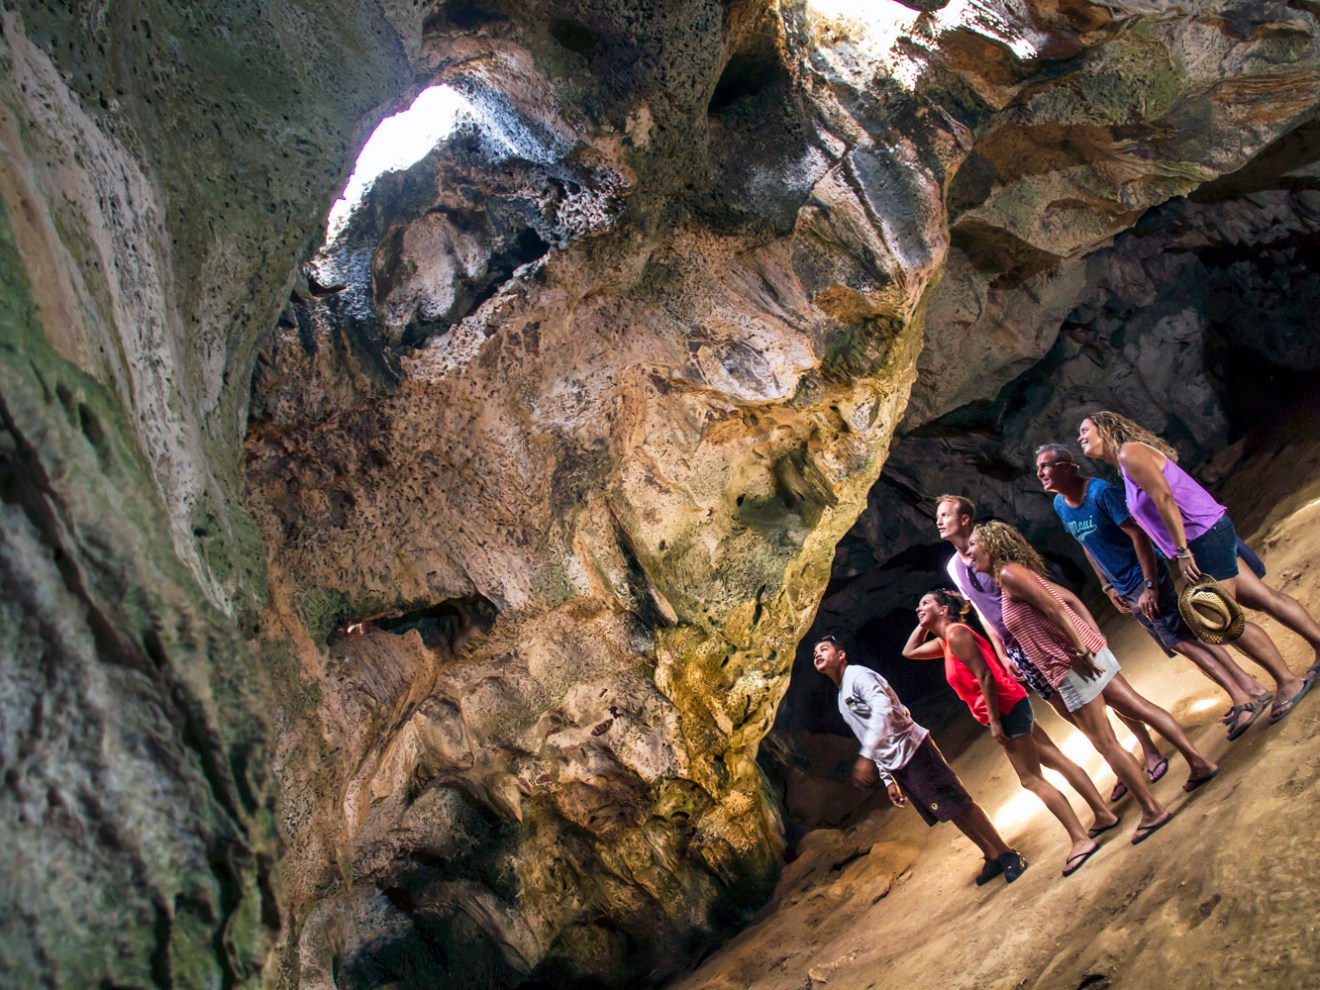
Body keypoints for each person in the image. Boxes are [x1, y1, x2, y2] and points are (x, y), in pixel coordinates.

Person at [968, 521, 1223, 844]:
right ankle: (1199, 764)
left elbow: (1055, 609)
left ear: (992, 544)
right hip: (1082, 656)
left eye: (975, 544)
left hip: (1073, 664)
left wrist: (1080, 649)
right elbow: (1060, 603)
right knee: (1139, 707)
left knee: (1104, 742)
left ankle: (1152, 810)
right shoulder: (1014, 575)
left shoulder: (1010, 575)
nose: (969, 552)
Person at [1078, 412, 1320, 723]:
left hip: (1200, 538)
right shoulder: (1127, 462)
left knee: (1221, 621)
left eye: (1086, 430)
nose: (1080, 438)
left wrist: (1182, 551)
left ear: (1106, 429)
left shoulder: (1130, 452)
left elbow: (1164, 498)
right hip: (1208, 532)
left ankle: (1288, 682)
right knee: (1261, 597)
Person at [1035, 443, 1272, 740]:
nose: (1039, 472)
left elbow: (1139, 535)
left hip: (1142, 578)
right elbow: (1087, 544)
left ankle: (1245, 695)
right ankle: (1248, 688)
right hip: (1123, 585)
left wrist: (1150, 585)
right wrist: (1107, 585)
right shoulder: (1060, 505)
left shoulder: (1100, 493)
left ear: (1067, 467)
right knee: (1183, 641)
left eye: (1045, 466)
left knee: (1185, 642)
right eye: (1038, 467)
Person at [936, 495, 1170, 794]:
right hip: (1018, 648)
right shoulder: (954, 567)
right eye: (938, 516)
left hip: (1043, 633)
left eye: (945, 514)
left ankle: (1148, 747)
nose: (939, 521)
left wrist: (1085, 633)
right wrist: (1002, 652)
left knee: (1107, 693)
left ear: (965, 519)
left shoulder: (993, 549)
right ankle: (1119, 762)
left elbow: (1045, 593)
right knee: (1071, 710)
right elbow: (981, 611)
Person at [903, 590, 1116, 876]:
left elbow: (986, 676)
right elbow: (909, 652)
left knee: (1031, 779)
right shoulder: (945, 641)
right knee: (1054, 758)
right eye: (918, 603)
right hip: (1011, 704)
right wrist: (926, 619)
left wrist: (994, 721)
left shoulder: (956, 635)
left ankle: (1080, 840)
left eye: (926, 602)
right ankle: (1103, 814)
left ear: (943, 610)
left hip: (1006, 710)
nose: (919, 607)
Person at [811, 634, 1028, 884]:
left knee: (960, 802)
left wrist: (865, 757)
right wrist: (888, 778)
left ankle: (1007, 853)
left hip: (914, 750)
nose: (817, 654)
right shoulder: (841, 696)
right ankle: (991, 855)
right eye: (815, 652)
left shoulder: (858, 676)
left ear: (841, 655)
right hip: (899, 763)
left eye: (824, 649)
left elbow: (883, 710)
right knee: (950, 810)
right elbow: (867, 733)